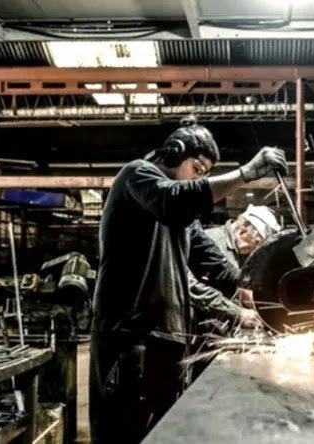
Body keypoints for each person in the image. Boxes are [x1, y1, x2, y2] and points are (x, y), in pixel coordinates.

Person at [89, 117, 287, 444]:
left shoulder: (183, 217)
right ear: (173, 152)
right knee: (124, 433)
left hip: (168, 340)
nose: (198, 179)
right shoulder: (137, 177)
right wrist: (246, 173)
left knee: (163, 433)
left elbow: (208, 256)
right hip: (129, 339)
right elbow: (174, 200)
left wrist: (253, 292)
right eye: (197, 169)